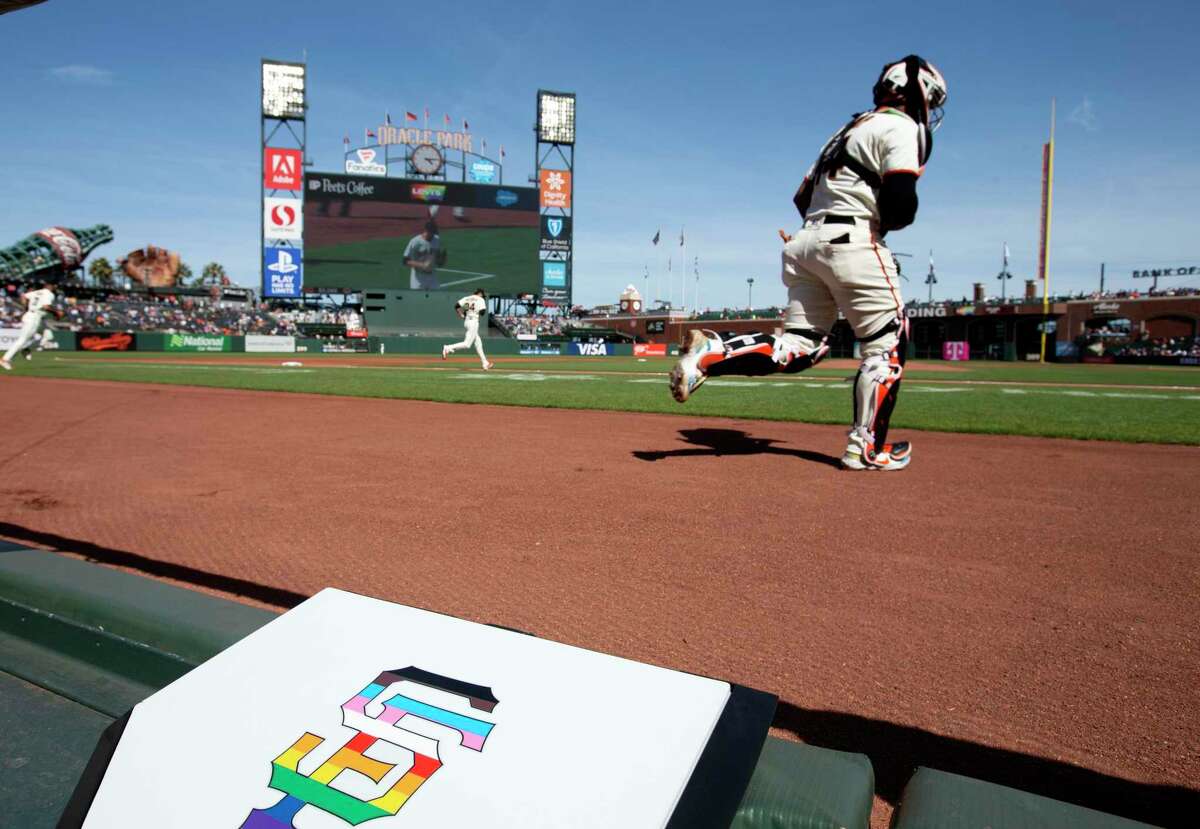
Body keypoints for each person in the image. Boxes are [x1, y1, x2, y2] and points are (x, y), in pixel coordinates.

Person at [668, 55, 947, 471]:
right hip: (851, 240)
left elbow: (801, 197)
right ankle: (865, 448)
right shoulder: (900, 126)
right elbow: (902, 205)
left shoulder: (844, 132)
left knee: (803, 346)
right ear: (921, 96)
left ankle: (714, 350)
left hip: (805, 242)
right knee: (887, 345)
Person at [2, 279, 62, 370]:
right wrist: (57, 312)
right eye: (55, 286)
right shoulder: (49, 294)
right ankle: (5, 359)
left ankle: (25, 348)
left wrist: (26, 309)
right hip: (34, 317)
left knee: (45, 335)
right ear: (54, 286)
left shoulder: (38, 291)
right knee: (22, 340)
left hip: (32, 315)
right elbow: (46, 306)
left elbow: (23, 296)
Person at [442, 288, 493, 369]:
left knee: (478, 343)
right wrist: (477, 311)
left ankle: (485, 363)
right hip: (473, 322)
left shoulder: (467, 298)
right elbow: (482, 312)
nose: (483, 297)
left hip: (467, 322)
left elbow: (457, 306)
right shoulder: (480, 299)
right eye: (483, 295)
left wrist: (461, 314)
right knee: (467, 344)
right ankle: (448, 348)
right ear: (480, 293)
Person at [404, 221, 443, 290]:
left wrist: (441, 260)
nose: (433, 235)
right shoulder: (415, 242)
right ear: (426, 230)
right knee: (417, 299)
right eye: (432, 232)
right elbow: (405, 260)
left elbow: (438, 258)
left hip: (432, 277)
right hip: (418, 279)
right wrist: (422, 265)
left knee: (436, 298)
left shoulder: (436, 240)